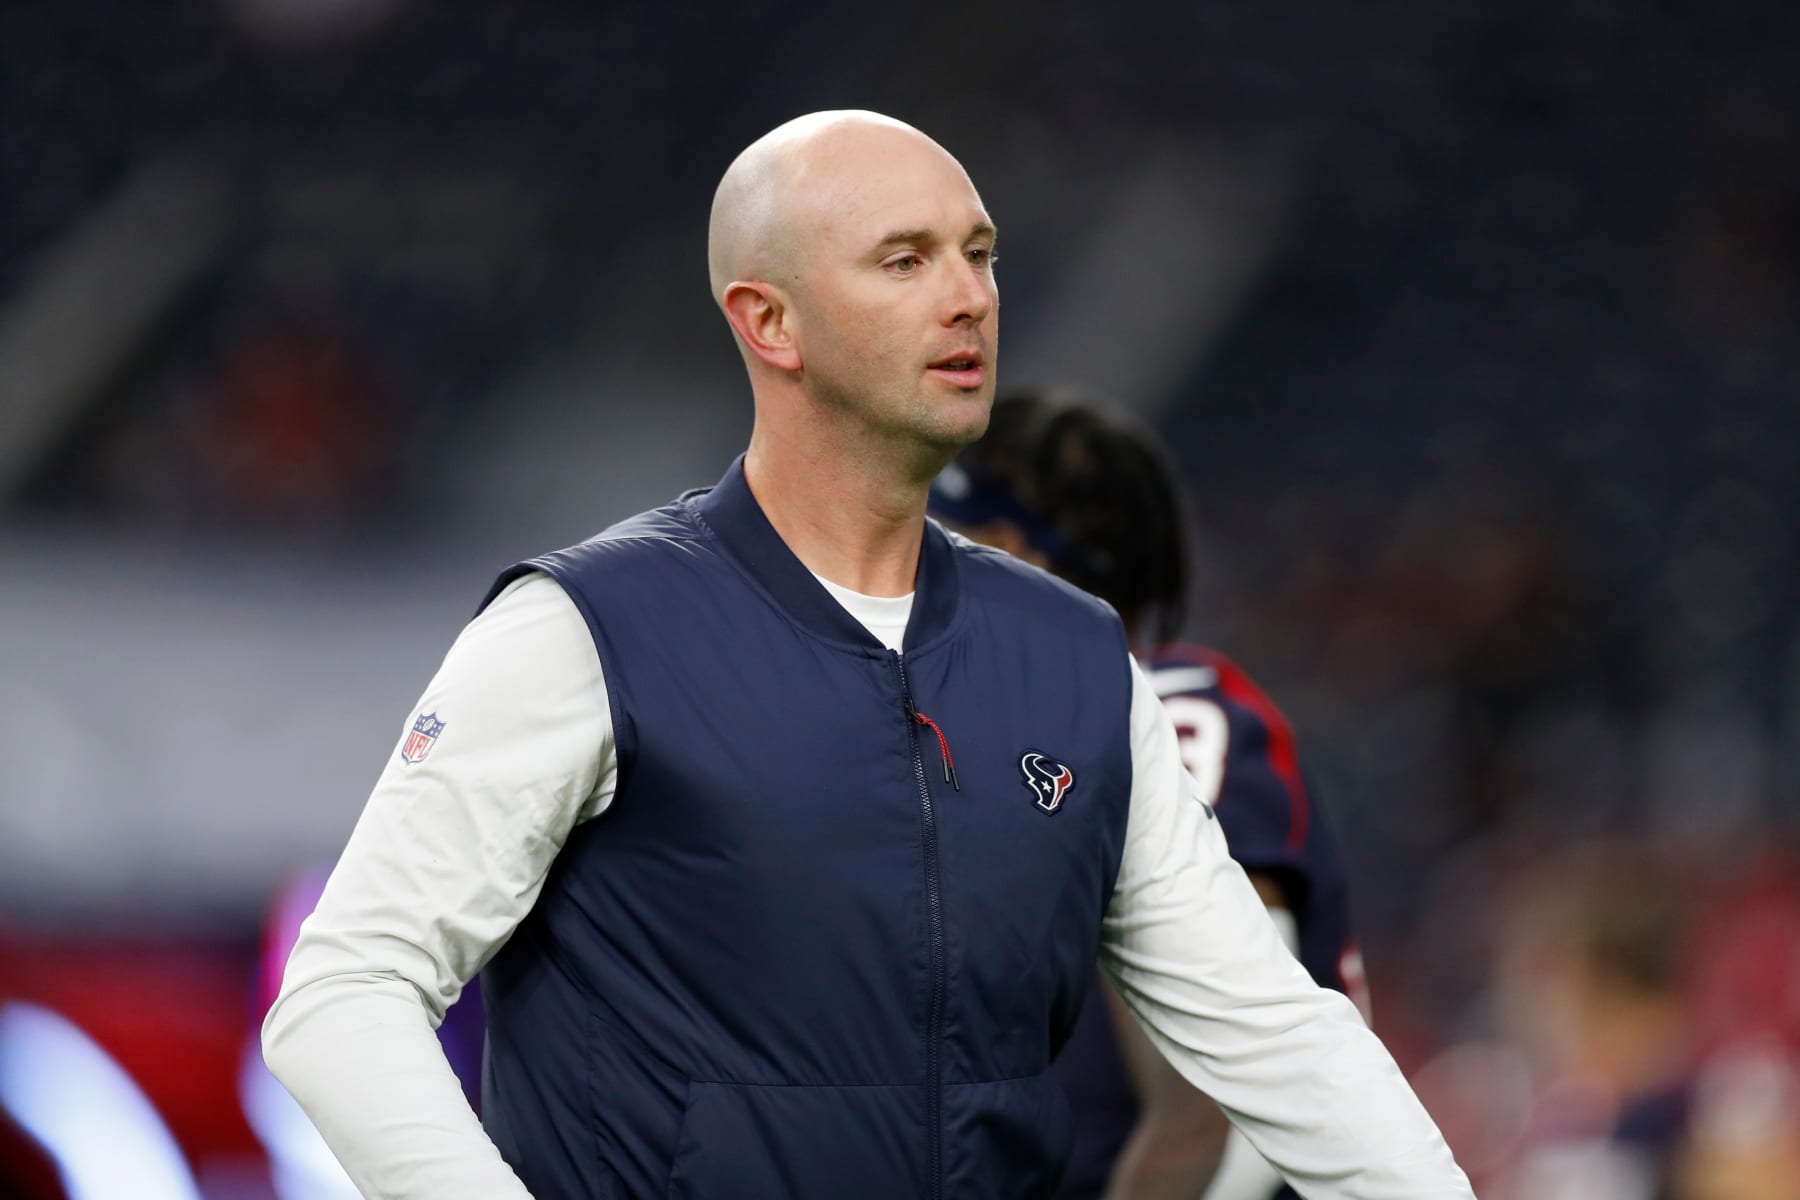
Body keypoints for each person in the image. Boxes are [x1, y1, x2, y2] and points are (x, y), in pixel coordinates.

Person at [261, 110, 1473, 1199]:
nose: (969, 298)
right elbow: (341, 996)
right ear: (769, 321)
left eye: (979, 253)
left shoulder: (1073, 658)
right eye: (905, 261)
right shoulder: (585, 630)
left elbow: (1270, 1031)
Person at [930, 391, 1370, 1200]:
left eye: (942, 536)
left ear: (1013, 552)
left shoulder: (1163, 717)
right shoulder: (1004, 754)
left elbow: (1231, 1111)